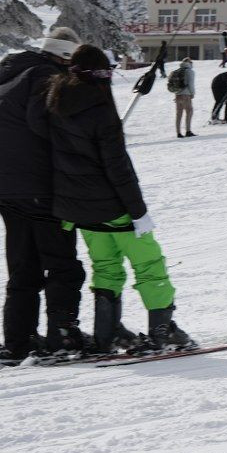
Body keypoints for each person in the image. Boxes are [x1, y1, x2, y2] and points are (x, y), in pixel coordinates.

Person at [42, 45, 193, 354]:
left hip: (80, 210)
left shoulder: (56, 102)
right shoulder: (100, 108)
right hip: (113, 207)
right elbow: (117, 167)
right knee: (150, 264)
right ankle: (162, 331)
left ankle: (105, 334)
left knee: (106, 266)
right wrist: (138, 212)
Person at [0, 27, 87, 365]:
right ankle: (62, 335)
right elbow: (46, 124)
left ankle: (19, 340)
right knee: (61, 265)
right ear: (66, 56)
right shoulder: (46, 76)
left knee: (24, 268)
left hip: (4, 186)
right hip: (37, 184)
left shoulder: (11, 75)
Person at [166, 57, 196, 138]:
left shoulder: (177, 71)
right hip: (186, 95)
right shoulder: (190, 71)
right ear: (190, 63)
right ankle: (188, 131)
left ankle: (178, 133)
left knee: (179, 114)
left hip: (177, 95)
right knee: (189, 112)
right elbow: (191, 84)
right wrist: (192, 93)